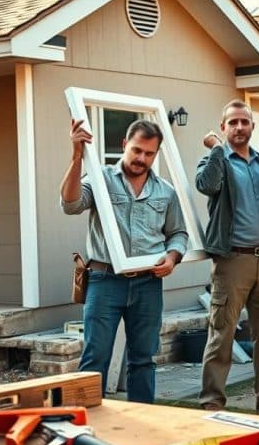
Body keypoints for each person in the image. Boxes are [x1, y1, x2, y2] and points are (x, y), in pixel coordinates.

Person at [60, 118, 188, 403]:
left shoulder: (165, 191)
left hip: (148, 283)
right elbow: (70, 204)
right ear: (124, 146)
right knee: (95, 357)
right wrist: (76, 156)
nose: (142, 158)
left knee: (143, 359)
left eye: (149, 153)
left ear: (156, 154)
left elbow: (178, 233)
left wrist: (172, 257)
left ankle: (142, 420)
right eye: (137, 150)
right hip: (104, 281)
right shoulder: (100, 177)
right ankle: (86, 422)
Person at [195, 100, 259, 417]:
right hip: (233, 261)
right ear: (223, 127)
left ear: (252, 126)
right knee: (222, 332)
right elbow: (207, 185)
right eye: (233, 123)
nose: (240, 127)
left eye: (245, 122)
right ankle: (212, 398)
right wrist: (215, 149)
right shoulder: (214, 160)